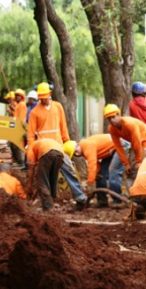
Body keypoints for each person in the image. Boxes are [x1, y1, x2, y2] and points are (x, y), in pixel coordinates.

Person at [28, 82, 87, 210]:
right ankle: (48, 203)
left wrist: (67, 142)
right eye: (41, 97)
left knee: (70, 171)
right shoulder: (35, 112)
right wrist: (32, 152)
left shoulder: (58, 107)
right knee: (45, 178)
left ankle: (80, 198)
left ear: (50, 94)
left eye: (45, 96)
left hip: (60, 147)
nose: (43, 99)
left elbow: (63, 127)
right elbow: (31, 135)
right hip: (44, 151)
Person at [64, 135, 129, 209]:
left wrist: (90, 183)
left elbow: (92, 164)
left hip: (121, 146)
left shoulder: (87, 146)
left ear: (78, 144)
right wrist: (96, 173)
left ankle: (119, 201)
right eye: (74, 154)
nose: (77, 154)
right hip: (111, 150)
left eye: (76, 151)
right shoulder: (84, 148)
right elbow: (96, 161)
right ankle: (102, 201)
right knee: (100, 175)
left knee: (113, 172)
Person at [104, 103, 146, 190]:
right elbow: (119, 147)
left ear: (118, 115)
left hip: (143, 142)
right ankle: (131, 199)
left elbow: (137, 141)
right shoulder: (112, 129)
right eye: (109, 119)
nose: (112, 120)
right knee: (129, 172)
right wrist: (126, 164)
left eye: (113, 117)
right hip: (135, 145)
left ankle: (140, 195)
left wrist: (138, 161)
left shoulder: (130, 124)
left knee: (139, 170)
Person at [26, 138, 64, 211]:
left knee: (42, 182)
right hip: (60, 153)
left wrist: (29, 186)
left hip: (47, 152)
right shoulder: (38, 144)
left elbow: (31, 168)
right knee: (53, 180)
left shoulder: (30, 147)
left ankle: (48, 207)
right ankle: (52, 201)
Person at [5, 91, 23, 166]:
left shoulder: (19, 105)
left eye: (9, 99)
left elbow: (17, 116)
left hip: (17, 126)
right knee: (12, 144)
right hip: (14, 125)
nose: (8, 100)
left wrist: (11, 111)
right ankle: (15, 158)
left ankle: (19, 160)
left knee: (15, 144)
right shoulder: (15, 105)